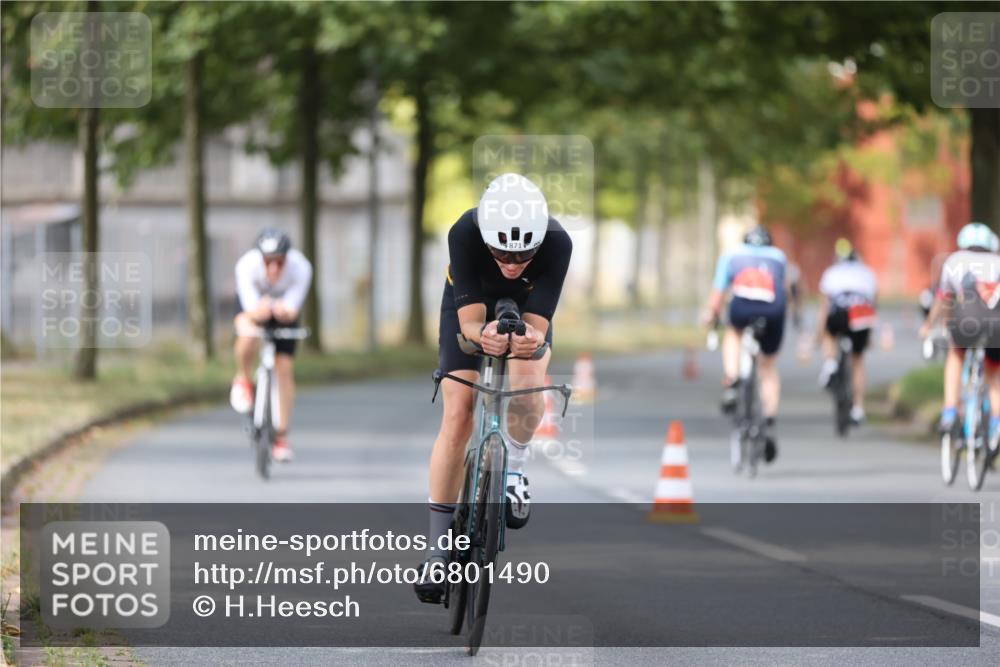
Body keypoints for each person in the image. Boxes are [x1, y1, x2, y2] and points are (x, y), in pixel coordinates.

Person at [415, 173, 572, 604]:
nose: (512, 260)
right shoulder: (465, 231)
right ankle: (436, 548)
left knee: (527, 385)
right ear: (487, 236)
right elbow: (467, 326)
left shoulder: (559, 243)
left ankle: (515, 469)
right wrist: (479, 336)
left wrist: (530, 342)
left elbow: (538, 327)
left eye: (524, 252)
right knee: (459, 412)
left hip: (526, 309)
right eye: (502, 250)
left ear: (540, 240)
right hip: (468, 307)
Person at [700, 225, 790, 462]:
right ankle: (769, 419)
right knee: (768, 367)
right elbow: (785, 290)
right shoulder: (779, 256)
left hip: (742, 306)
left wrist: (710, 314)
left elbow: (718, 293)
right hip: (774, 310)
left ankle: (732, 379)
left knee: (733, 333)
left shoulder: (732, 255)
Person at [229, 229, 313, 462]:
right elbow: (249, 309)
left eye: (280, 262)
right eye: (269, 262)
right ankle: (244, 378)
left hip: (283, 311)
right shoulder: (246, 266)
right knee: (247, 334)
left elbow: (293, 307)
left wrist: (284, 311)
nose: (274, 268)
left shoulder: (301, 267)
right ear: (260, 259)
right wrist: (260, 311)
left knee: (284, 368)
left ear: (288, 257)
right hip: (254, 307)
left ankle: (282, 437)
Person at [920, 222, 1000, 445]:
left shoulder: (954, 261)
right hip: (997, 327)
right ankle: (996, 422)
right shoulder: (998, 262)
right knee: (993, 374)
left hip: (967, 324)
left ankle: (950, 411)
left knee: (955, 356)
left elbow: (944, 299)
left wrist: (931, 325)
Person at [815, 238, 878, 424]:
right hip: (862, 313)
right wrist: (870, 335)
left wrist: (819, 334)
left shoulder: (831, 273)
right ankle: (858, 408)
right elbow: (873, 304)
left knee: (830, 333)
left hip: (840, 310)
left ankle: (830, 365)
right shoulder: (867, 273)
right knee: (858, 361)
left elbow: (825, 308)